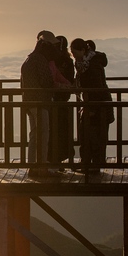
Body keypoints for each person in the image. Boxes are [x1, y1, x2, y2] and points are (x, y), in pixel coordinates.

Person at [70, 38, 113, 175]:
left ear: (83, 50)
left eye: (74, 51)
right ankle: (88, 163)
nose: (73, 55)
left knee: (94, 136)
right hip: (92, 105)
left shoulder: (92, 65)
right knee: (88, 135)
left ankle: (93, 165)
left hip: (98, 106)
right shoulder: (85, 63)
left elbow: (97, 88)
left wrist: (92, 109)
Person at [21, 31, 61, 176]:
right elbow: (46, 82)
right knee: (43, 134)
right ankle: (41, 167)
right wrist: (60, 86)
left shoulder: (29, 60)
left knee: (34, 135)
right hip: (40, 102)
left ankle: (33, 165)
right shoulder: (40, 60)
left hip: (30, 102)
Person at [49, 35, 75, 165]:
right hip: (63, 101)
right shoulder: (68, 62)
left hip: (51, 101)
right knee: (62, 132)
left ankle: (53, 160)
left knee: (52, 132)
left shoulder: (51, 61)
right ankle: (60, 158)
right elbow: (69, 79)